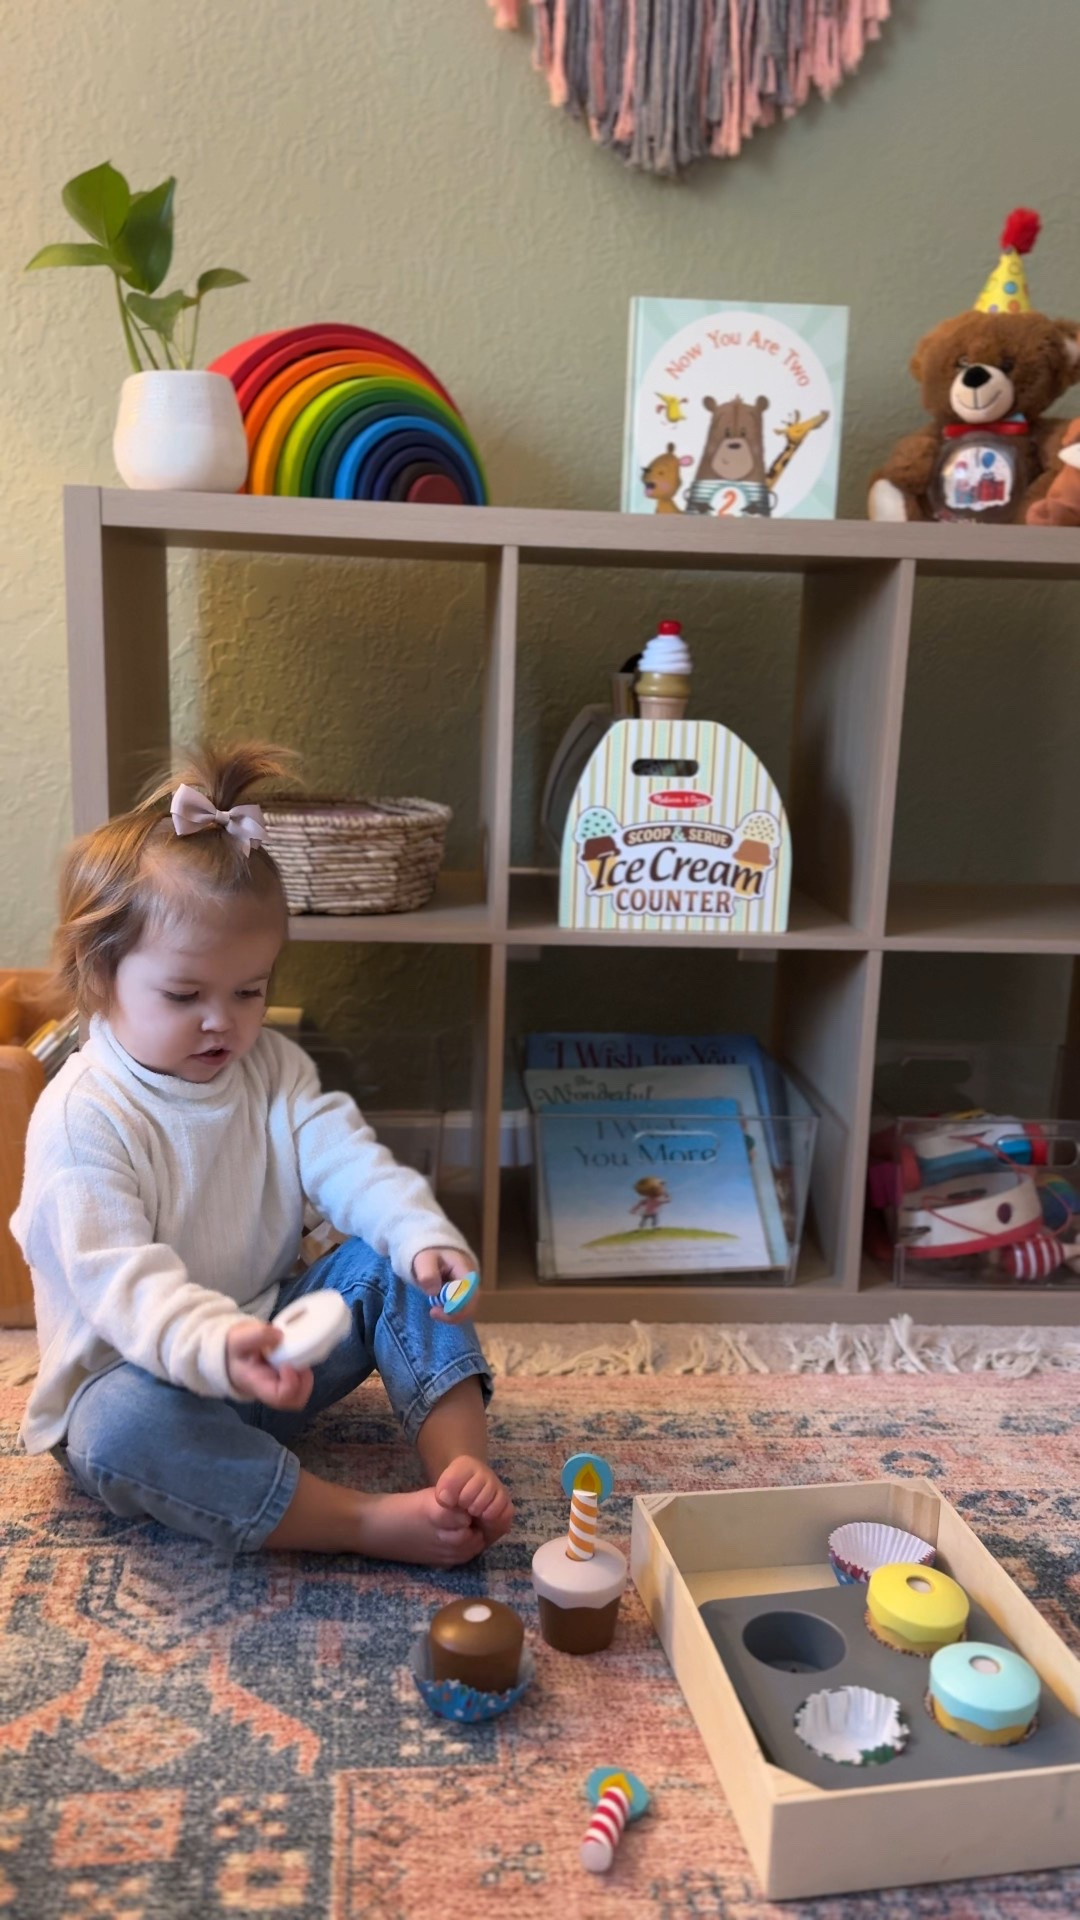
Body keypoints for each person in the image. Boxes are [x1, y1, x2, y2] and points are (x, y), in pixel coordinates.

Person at [12, 743, 513, 1565]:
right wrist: (220, 1347)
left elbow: (348, 1161)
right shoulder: (82, 1117)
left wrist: (418, 1234)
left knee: (392, 1260)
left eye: (250, 990)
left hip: (275, 1358)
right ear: (99, 975)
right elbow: (124, 1284)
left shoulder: (271, 1067)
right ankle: (361, 1521)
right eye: (185, 995)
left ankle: (459, 1470)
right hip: (144, 1375)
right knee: (115, 1429)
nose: (224, 1020)